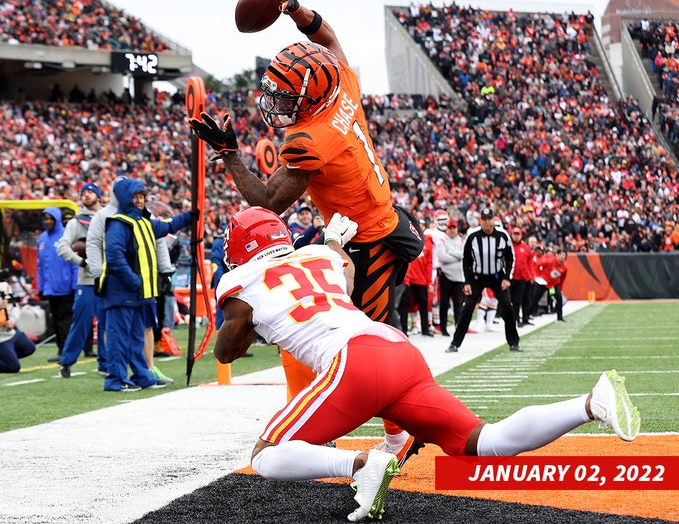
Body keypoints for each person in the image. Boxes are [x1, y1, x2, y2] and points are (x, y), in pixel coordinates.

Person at [214, 207, 640, 522]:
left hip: (352, 361)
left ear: (241, 249)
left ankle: (361, 465)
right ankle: (589, 404)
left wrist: (251, 322)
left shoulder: (238, 282)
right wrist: (333, 242)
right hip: (396, 348)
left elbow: (226, 352)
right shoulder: (321, 256)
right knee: (484, 443)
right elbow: (344, 280)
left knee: (266, 458)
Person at [189, 0, 424, 463]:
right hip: (366, 222)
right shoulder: (340, 81)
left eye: (286, 94)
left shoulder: (312, 140)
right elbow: (329, 37)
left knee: (371, 341)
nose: (277, 100)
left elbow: (267, 202)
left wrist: (229, 153)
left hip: (368, 240)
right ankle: (335, 426)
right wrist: (292, 7)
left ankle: (399, 436)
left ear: (309, 98)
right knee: (327, 333)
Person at [96, 178, 191, 392]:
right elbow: (113, 256)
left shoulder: (145, 222)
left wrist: (191, 215)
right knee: (119, 339)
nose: (139, 201)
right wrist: (133, 280)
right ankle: (115, 380)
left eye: (141, 197)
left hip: (139, 294)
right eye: (135, 197)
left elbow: (169, 226)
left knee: (136, 338)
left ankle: (140, 375)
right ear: (124, 199)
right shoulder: (119, 224)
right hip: (123, 293)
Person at [446, 207, 520, 353]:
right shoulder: (473, 237)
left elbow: (510, 258)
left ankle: (514, 342)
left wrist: (507, 278)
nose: (487, 222)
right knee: (467, 309)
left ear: (494, 219)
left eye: (489, 219)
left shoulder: (503, 235)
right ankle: (455, 343)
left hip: (497, 277)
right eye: (484, 219)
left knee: (507, 307)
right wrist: (466, 281)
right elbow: (465, 259)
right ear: (480, 220)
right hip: (476, 278)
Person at [55, 182, 104, 378]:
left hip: (108, 279)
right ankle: (66, 362)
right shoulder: (77, 222)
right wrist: (82, 262)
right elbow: (62, 247)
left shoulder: (108, 216)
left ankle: (106, 363)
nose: (86, 195)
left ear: (99, 196)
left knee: (107, 324)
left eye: (91, 192)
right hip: (87, 281)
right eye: (83, 193)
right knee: (81, 323)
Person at [37, 206, 77, 362]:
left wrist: (74, 285)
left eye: (50, 219)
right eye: (45, 219)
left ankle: (66, 351)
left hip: (65, 287)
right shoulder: (42, 239)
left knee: (65, 320)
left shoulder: (65, 236)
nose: (47, 222)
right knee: (55, 320)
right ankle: (61, 349)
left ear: (57, 219)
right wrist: (40, 286)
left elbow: (74, 263)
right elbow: (40, 265)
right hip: (50, 288)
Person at [396, 231, 434, 337]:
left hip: (421, 279)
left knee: (423, 304)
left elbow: (429, 263)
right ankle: (403, 330)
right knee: (404, 304)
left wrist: (429, 281)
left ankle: (425, 329)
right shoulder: (406, 236)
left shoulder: (428, 242)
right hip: (407, 278)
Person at [436, 218, 464, 336]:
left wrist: (451, 252)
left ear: (457, 229)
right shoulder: (442, 240)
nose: (452, 230)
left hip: (459, 277)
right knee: (444, 303)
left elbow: (464, 255)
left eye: (454, 228)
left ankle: (459, 326)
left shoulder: (462, 240)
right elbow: (443, 258)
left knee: (458, 303)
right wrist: (457, 256)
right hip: (446, 275)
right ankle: (443, 328)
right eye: (450, 228)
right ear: (446, 229)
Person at [529, 247, 569, 322]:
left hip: (553, 285)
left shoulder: (565, 267)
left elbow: (562, 279)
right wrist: (537, 276)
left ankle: (559, 317)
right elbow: (538, 264)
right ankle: (528, 314)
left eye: (564, 255)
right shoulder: (550, 260)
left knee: (559, 298)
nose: (562, 257)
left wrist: (560, 289)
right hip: (543, 283)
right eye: (561, 255)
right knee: (535, 298)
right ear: (557, 255)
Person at [510, 226, 534, 327]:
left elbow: (530, 263)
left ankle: (524, 318)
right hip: (511, 278)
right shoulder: (509, 245)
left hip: (522, 278)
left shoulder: (525, 248)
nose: (516, 236)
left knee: (524, 299)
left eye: (518, 234)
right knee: (514, 300)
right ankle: (515, 319)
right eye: (514, 234)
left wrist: (530, 275)